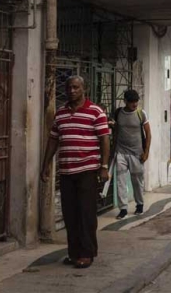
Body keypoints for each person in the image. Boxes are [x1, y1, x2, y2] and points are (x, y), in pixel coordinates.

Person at [41, 76, 110, 269]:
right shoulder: (60, 114)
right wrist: (45, 164)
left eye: (76, 87)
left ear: (84, 89)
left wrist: (104, 167)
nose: (72, 91)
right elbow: (53, 139)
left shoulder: (95, 112)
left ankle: (87, 253)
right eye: (69, 87)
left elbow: (104, 139)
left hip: (87, 170)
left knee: (86, 213)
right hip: (66, 171)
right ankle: (73, 253)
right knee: (70, 214)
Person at [110, 90, 152, 219]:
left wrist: (146, 152)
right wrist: (113, 150)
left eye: (136, 101)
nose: (134, 104)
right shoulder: (118, 113)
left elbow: (148, 134)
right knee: (120, 181)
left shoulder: (141, 114)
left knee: (137, 181)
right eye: (131, 101)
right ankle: (123, 208)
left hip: (136, 153)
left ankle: (139, 205)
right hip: (121, 152)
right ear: (125, 101)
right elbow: (116, 131)